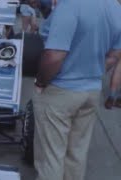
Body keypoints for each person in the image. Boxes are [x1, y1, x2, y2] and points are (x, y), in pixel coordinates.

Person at [33, 0, 121, 180]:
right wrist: (89, 72)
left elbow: (54, 56)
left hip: (60, 90)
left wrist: (41, 82)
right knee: (77, 153)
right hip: (91, 91)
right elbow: (113, 56)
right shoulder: (115, 8)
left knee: (51, 156)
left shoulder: (70, 6)